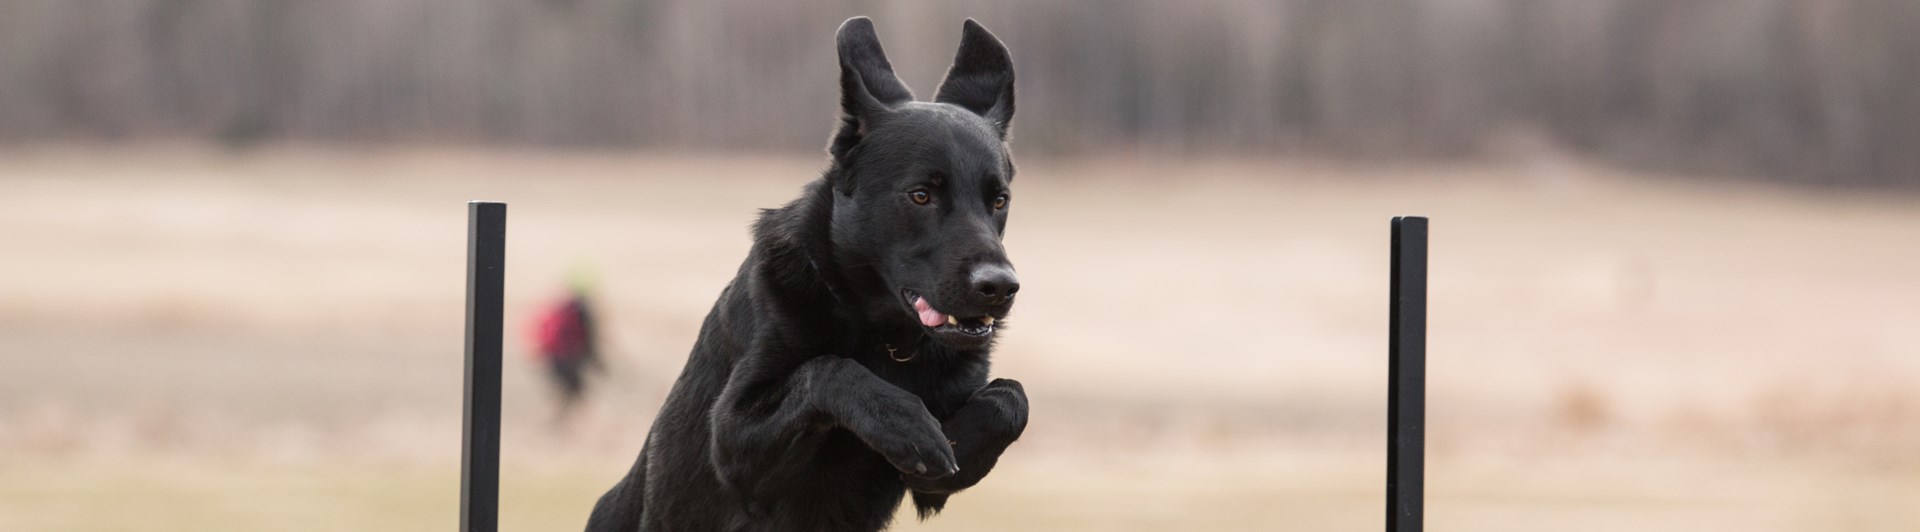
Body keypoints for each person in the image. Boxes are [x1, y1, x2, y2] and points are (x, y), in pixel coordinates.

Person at [528, 273, 603, 424]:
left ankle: (562, 422)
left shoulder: (565, 307)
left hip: (554, 356)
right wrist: (596, 359)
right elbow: (589, 338)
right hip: (567, 357)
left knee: (569, 391)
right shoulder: (581, 311)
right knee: (573, 391)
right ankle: (566, 423)